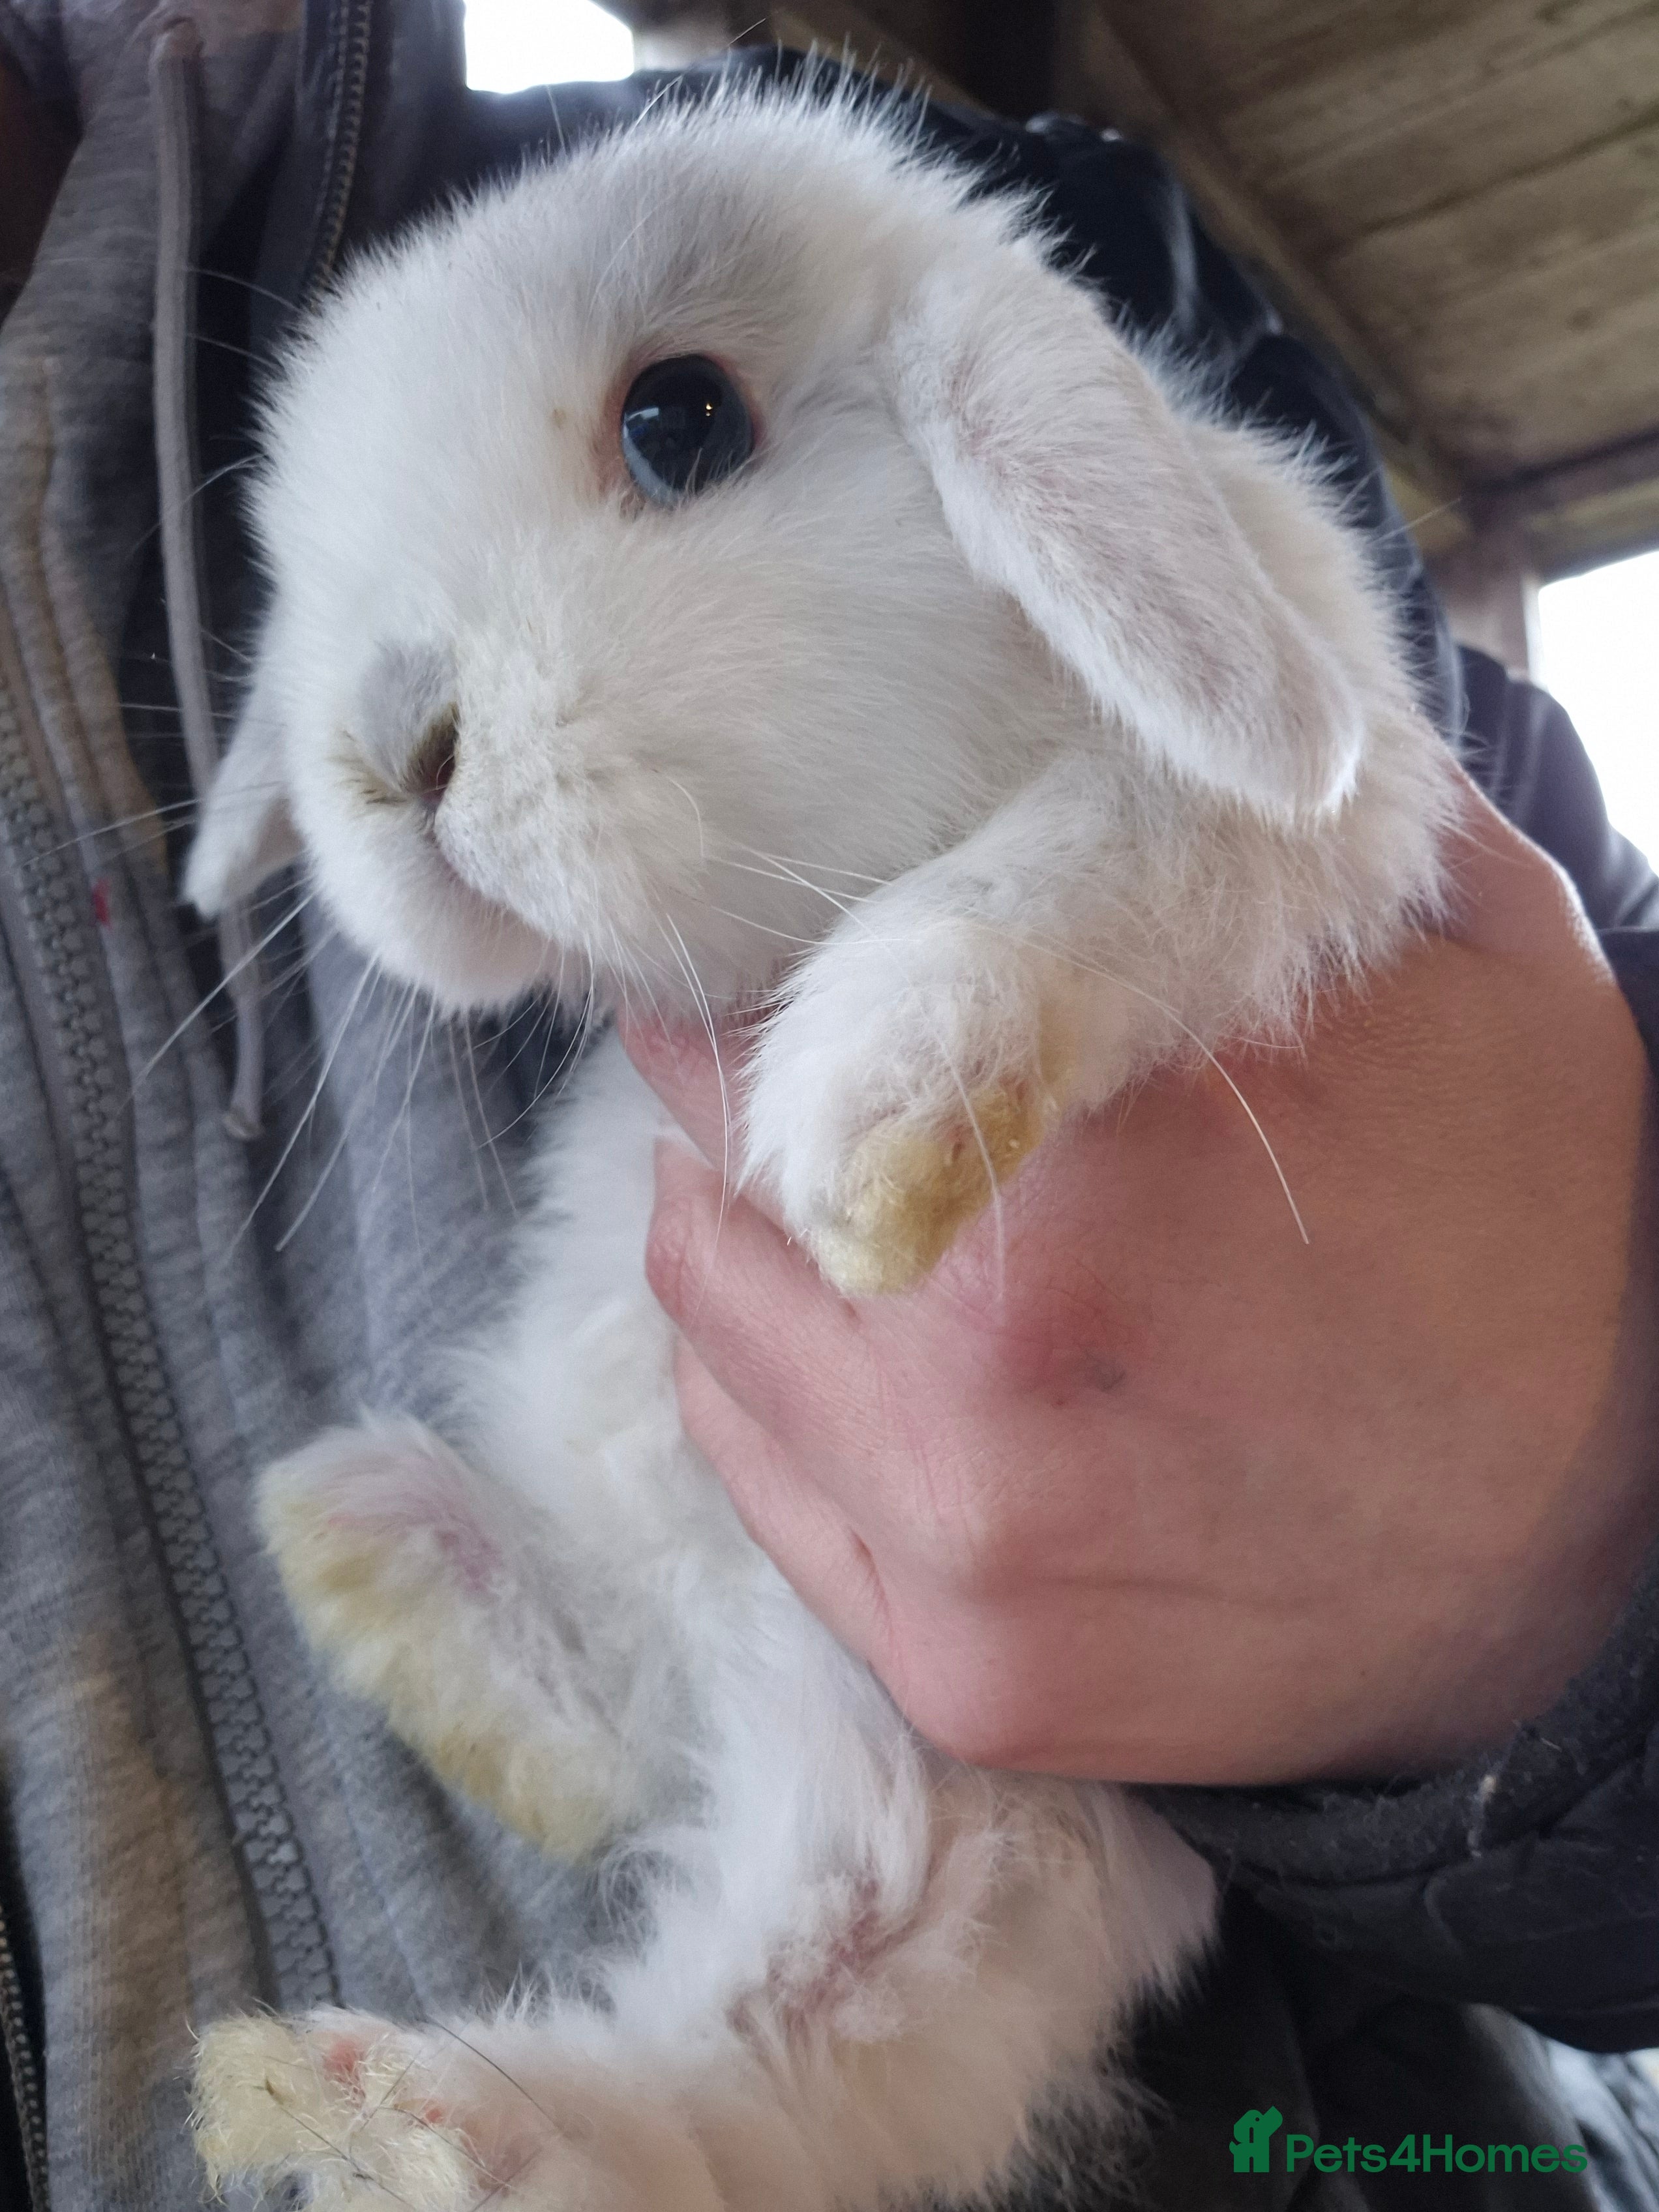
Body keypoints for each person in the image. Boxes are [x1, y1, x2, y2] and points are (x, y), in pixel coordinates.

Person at [1, 5, 1656, 2206]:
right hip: (719, 1425)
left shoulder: (984, 260)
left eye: (673, 432)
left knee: (979, 1824)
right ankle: (585, 1663)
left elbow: (1312, 784)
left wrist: (1585, 1521)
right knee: (632, 1310)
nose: (404, 758)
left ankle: (721, 2114)